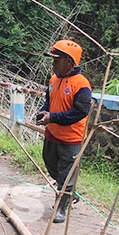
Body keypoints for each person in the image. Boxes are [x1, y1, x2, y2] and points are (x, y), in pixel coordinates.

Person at [36, 40, 92, 223]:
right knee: (50, 163)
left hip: (71, 138)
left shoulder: (82, 85)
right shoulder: (53, 79)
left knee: (66, 174)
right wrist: (45, 112)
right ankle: (69, 192)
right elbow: (49, 100)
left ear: (69, 62)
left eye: (57, 60)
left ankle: (61, 207)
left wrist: (53, 117)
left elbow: (79, 112)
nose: (53, 64)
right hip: (52, 134)